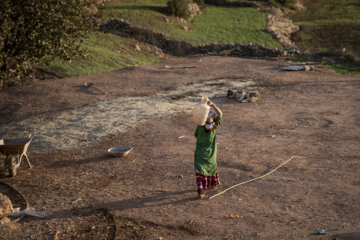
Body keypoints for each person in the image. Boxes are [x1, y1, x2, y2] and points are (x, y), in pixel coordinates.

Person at [194, 99, 223, 199]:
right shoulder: (214, 127)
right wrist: (212, 105)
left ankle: (200, 190)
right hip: (211, 154)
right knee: (211, 167)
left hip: (200, 153)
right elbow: (220, 114)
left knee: (199, 170)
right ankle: (213, 184)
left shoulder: (200, 127)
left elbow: (195, 135)